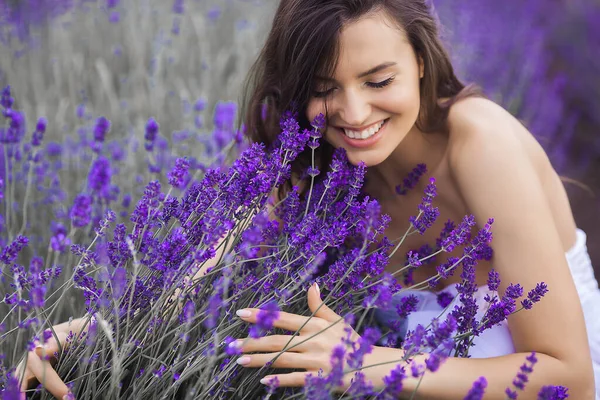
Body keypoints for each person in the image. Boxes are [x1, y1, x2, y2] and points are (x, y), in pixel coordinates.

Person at [19, 0, 600, 398]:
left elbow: (571, 381)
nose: (353, 113)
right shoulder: (317, 166)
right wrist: (85, 333)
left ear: (421, 62)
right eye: (324, 89)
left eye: (378, 81)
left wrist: (363, 362)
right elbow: (198, 277)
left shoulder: (480, 144)